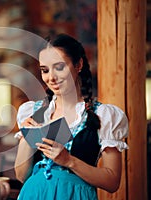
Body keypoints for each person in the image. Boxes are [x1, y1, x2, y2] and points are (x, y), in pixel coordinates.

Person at [14, 33, 128, 199]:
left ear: (78, 64)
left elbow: (112, 182)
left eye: (59, 67)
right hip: (33, 194)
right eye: (45, 70)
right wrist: (26, 138)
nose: (51, 77)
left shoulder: (103, 115)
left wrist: (69, 161)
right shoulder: (33, 112)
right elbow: (21, 176)